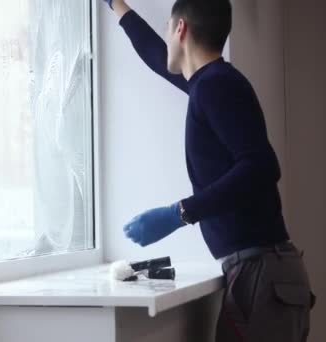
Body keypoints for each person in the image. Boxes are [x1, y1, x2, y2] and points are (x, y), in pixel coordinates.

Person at [103, 0, 314, 341]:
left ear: (180, 28)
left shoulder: (216, 86)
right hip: (261, 272)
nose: (166, 39)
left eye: (168, 29)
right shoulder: (211, 83)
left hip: (260, 273)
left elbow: (261, 165)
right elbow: (158, 57)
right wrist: (117, 6)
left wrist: (180, 213)